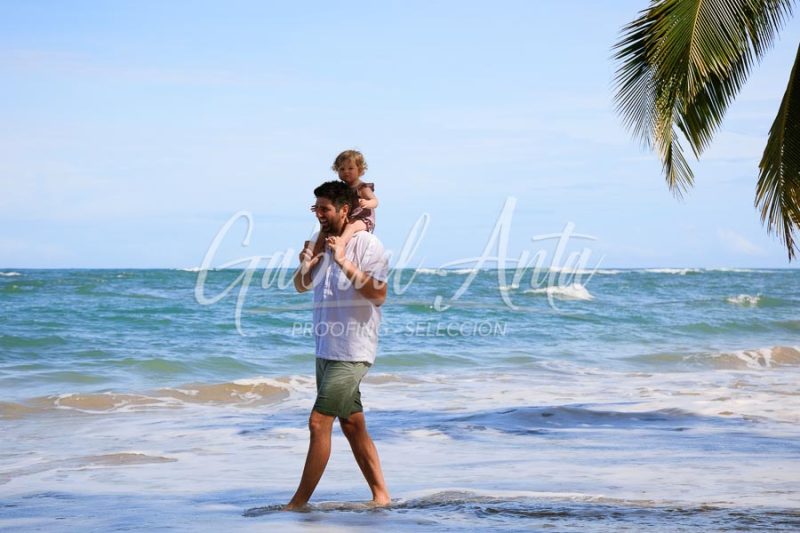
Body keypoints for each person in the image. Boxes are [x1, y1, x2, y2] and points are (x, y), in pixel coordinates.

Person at [286, 180, 390, 510]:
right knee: (352, 423)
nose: (319, 213)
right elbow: (300, 287)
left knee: (319, 422)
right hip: (325, 349)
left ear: (344, 210)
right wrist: (306, 265)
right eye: (316, 207)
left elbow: (379, 295)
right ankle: (382, 496)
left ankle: (298, 504)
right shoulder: (319, 244)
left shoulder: (368, 245)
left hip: (353, 351)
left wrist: (344, 260)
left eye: (325, 208)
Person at [310, 149, 379, 259]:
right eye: (341, 169)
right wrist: (320, 207)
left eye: (350, 168)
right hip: (350, 216)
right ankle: (316, 251)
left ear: (360, 169)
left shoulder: (362, 188)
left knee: (351, 226)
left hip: (363, 218)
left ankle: (341, 243)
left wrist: (367, 203)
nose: (346, 171)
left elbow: (375, 201)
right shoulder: (342, 188)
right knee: (325, 227)